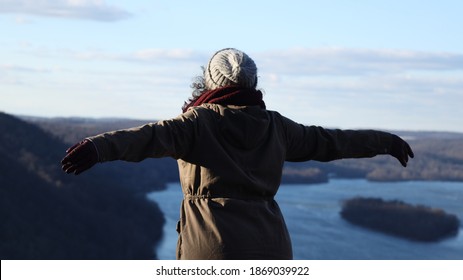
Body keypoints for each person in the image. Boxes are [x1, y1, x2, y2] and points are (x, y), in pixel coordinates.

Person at [61, 48, 414, 260]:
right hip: (271, 247)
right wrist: (383, 142)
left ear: (211, 83)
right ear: (252, 84)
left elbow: (145, 138)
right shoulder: (277, 127)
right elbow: (332, 141)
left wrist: (98, 147)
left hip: (211, 250)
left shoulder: (196, 123)